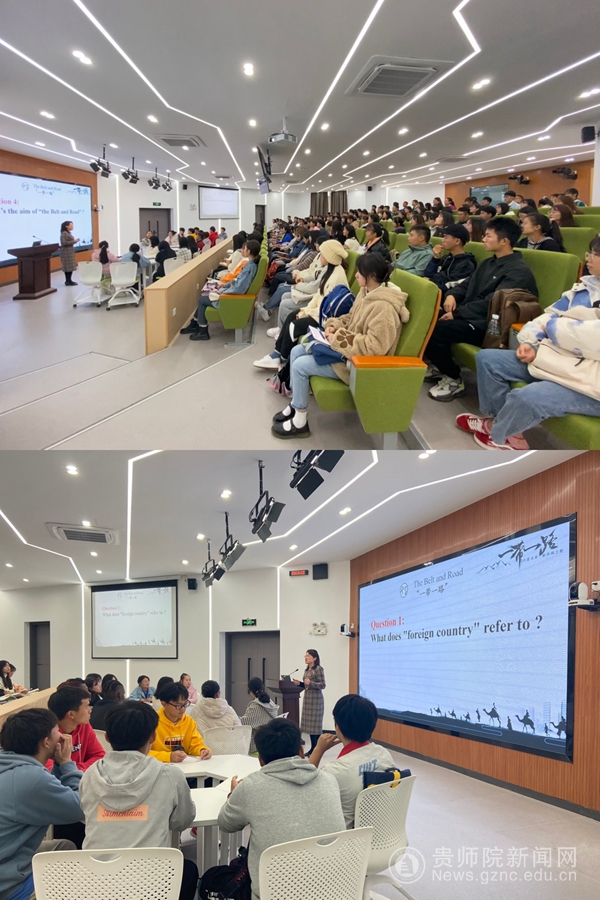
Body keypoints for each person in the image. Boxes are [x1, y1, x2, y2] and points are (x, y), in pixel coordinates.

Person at [459, 236, 600, 450]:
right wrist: (532, 342)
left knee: (527, 397)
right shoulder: (584, 288)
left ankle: (501, 435)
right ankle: (501, 422)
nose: (588, 258)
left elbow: (590, 338)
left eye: (595, 254)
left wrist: (555, 327)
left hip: (588, 381)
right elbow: (548, 316)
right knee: (488, 359)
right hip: (558, 360)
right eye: (590, 252)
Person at [270, 253, 409, 438]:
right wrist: (334, 325)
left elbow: (374, 347)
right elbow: (351, 317)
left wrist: (337, 337)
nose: (356, 275)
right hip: (345, 352)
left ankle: (300, 422)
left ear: (372, 276)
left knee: (300, 366)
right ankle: (296, 405)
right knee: (296, 350)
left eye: (360, 272)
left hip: (357, 365)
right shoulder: (366, 293)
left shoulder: (384, 309)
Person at [79, 702, 198, 900]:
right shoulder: (170, 776)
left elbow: (87, 816)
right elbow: (182, 821)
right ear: (153, 736)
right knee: (189, 870)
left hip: (96, 884)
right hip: (151, 884)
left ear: (107, 737)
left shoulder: (89, 776)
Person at [218, 720, 345, 900]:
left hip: (275, 893)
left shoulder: (251, 786)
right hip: (334, 890)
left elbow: (226, 824)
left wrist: (233, 795)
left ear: (261, 760)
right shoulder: (329, 780)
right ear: (301, 751)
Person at [425, 217, 538, 401]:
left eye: (488, 236)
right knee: (427, 317)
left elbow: (492, 304)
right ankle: (440, 366)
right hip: (468, 314)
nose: (483, 239)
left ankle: (454, 378)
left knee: (437, 330)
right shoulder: (488, 263)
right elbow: (466, 284)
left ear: (504, 240)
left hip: (488, 324)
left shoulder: (518, 271)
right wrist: (452, 295)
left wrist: (457, 314)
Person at [0, 708, 83, 900]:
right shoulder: (30, 778)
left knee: (64, 847)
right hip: (7, 884)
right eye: (57, 732)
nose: (62, 737)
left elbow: (47, 791)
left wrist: (58, 766)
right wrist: (67, 763)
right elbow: (81, 806)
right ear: (46, 742)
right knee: (75, 872)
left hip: (7, 857)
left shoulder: (10, 764)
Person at [308, 694, 396, 827]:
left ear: (337, 726)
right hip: (380, 832)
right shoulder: (384, 754)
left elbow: (305, 794)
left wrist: (318, 750)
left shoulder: (334, 771)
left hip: (347, 838)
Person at [183, 239, 261, 342]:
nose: (242, 250)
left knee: (202, 300)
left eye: (244, 249)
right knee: (205, 296)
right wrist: (225, 285)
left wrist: (222, 292)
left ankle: (203, 331)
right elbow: (238, 281)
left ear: (249, 251)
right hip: (231, 294)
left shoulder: (249, 267)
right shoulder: (250, 265)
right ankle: (195, 324)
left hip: (230, 298)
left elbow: (240, 288)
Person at [149, 682, 212, 762]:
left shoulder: (189, 722)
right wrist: (169, 757)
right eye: (178, 705)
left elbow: (195, 745)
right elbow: (142, 753)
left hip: (184, 766)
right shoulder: (151, 722)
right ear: (164, 704)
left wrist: (202, 750)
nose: (183, 709)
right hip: (158, 767)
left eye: (185, 704)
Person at [46, 686, 105, 772]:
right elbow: (48, 770)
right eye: (87, 706)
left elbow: (100, 756)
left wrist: (74, 769)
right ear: (71, 714)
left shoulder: (84, 725)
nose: (90, 710)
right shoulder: (47, 733)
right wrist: (75, 770)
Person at [423, 224, 477, 299]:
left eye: (446, 237)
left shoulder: (466, 264)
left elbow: (449, 287)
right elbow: (428, 274)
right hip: (432, 292)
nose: (442, 240)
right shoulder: (446, 258)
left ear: (457, 241)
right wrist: (435, 258)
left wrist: (430, 281)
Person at [293, 650, 325, 755]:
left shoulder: (318, 669)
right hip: (308, 699)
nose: (306, 658)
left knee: (315, 725)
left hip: (316, 700)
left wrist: (310, 682)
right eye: (305, 656)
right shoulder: (307, 670)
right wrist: (300, 684)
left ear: (315, 658)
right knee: (311, 726)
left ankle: (317, 749)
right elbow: (307, 685)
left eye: (308, 656)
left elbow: (322, 685)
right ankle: (312, 748)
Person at [240, 677, 279, 753]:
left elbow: (244, 723)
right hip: (270, 743)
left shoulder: (255, 706)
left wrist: (233, 717)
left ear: (250, 690)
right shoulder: (269, 703)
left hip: (257, 745)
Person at [59, 220, 80, 286]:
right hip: (66, 253)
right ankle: (68, 281)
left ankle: (69, 280)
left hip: (69, 252)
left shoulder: (68, 233)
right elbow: (64, 243)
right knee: (68, 267)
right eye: (71, 225)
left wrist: (74, 241)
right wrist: (74, 241)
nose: (72, 226)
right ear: (66, 226)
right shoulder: (64, 233)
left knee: (70, 267)